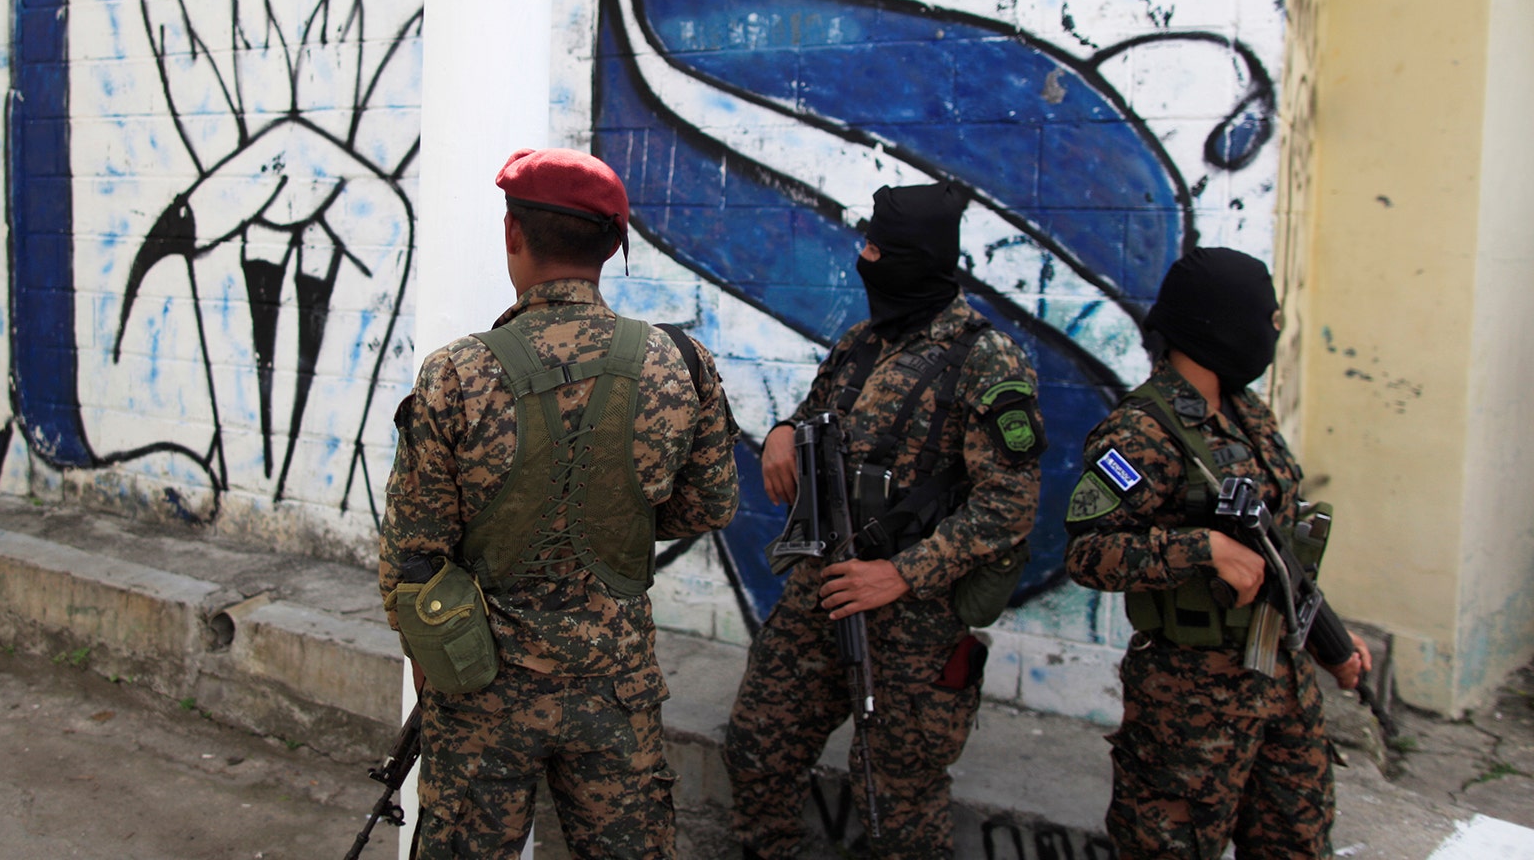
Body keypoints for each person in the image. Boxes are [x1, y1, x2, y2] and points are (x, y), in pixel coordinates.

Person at [378, 147, 740, 859]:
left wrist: (433, 660)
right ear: (611, 246)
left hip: (481, 689)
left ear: (512, 233)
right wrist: (617, 514)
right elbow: (709, 505)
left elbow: (412, 556)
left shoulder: (456, 373)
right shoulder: (681, 364)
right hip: (618, 689)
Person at [723, 182, 1045, 859]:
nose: (863, 258)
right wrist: (783, 430)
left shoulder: (987, 359)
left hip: (913, 617)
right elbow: (817, 413)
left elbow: (1008, 506)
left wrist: (900, 574)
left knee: (897, 799)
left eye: (876, 247)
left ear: (918, 258)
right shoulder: (862, 343)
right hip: (823, 587)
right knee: (758, 743)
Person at [1064, 246, 1373, 859]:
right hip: (1190, 702)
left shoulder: (1244, 411)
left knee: (1297, 842)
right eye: (1266, 316)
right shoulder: (1140, 433)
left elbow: (1279, 548)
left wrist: (1329, 641)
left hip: (1282, 682)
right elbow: (1087, 553)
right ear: (1218, 324)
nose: (1274, 329)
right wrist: (1200, 548)